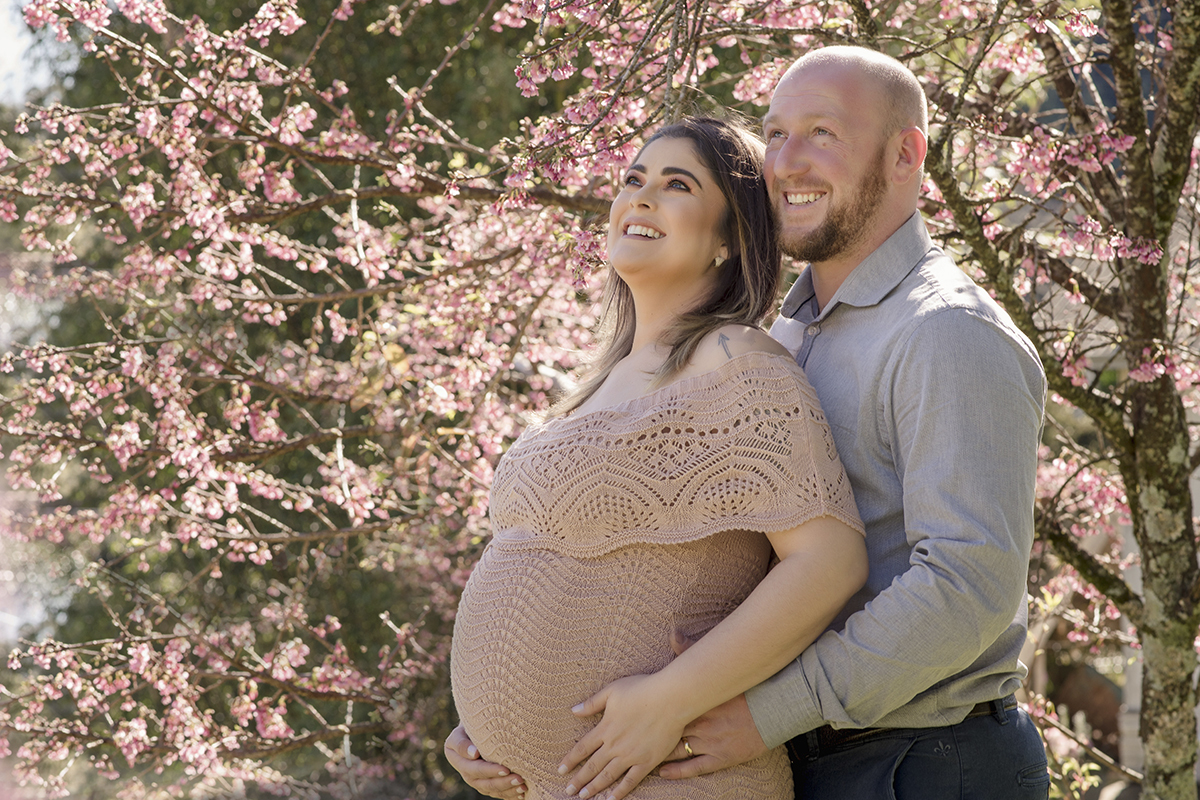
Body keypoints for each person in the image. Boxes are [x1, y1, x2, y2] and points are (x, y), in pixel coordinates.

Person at [449, 47, 1050, 800]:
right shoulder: (791, 336)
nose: (787, 162)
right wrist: (496, 710)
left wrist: (763, 712)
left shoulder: (944, 330)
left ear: (907, 153)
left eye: (822, 134)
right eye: (777, 134)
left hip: (920, 761)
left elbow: (967, 584)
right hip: (816, 754)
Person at [447, 115, 868, 800]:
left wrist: (669, 700)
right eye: (632, 180)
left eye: (677, 185)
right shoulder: (591, 385)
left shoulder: (738, 361)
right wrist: (478, 729)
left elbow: (830, 562)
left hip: (670, 775)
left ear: (730, 239)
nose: (639, 198)